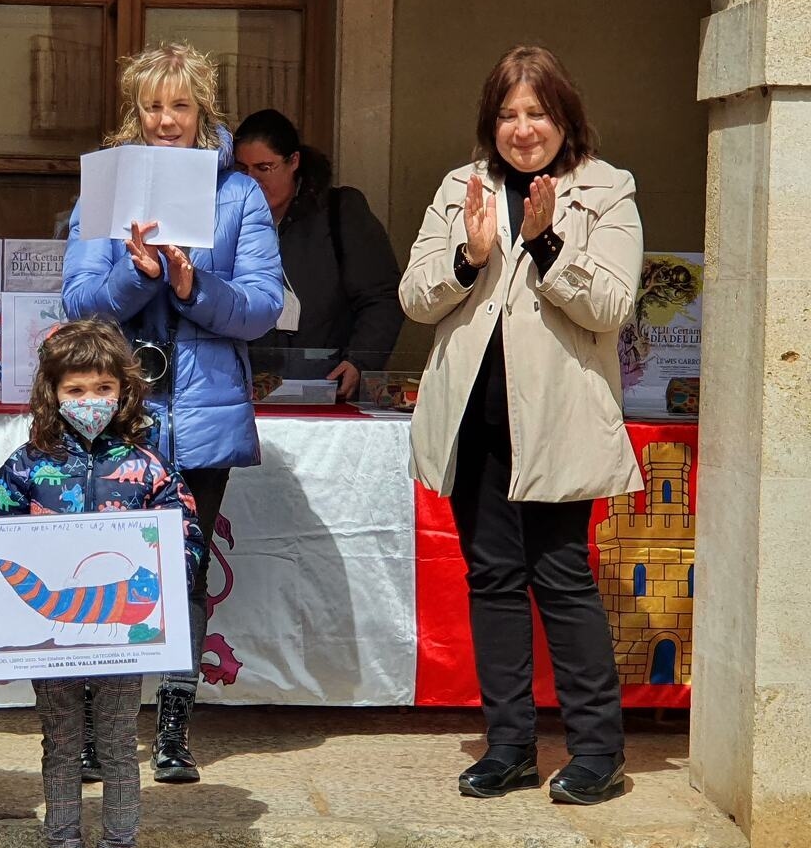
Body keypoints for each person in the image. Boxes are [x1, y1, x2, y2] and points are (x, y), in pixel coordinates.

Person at [400, 45, 644, 805]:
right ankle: (508, 746)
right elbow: (415, 295)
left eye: (537, 112)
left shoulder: (607, 190)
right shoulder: (459, 188)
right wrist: (469, 261)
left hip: (557, 421)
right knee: (494, 580)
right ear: (490, 123)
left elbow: (611, 307)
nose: (523, 127)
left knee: (562, 578)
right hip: (474, 417)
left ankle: (597, 752)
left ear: (565, 118)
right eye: (508, 114)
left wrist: (545, 243)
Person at [63, 42, 283, 783]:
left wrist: (192, 285)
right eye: (152, 105)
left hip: (201, 416)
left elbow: (259, 308)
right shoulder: (106, 184)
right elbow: (76, 302)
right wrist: (136, 274)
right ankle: (97, 729)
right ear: (137, 110)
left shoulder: (240, 194)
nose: (165, 119)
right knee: (105, 569)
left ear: (201, 113)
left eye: (179, 105)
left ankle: (173, 733)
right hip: (113, 412)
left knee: (182, 572)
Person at [0, 319, 205, 848]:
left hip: (124, 636)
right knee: (60, 740)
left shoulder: (150, 467)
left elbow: (188, 537)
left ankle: (120, 845)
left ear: (123, 390)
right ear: (52, 394)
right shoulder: (26, 467)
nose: (90, 400)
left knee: (119, 742)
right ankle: (60, 842)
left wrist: (174, 566)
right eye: (75, 389)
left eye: (102, 388)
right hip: (51, 637)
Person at [234, 108, 404, 398]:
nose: (252, 181)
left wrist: (360, 360)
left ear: (294, 161)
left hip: (329, 386)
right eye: (242, 170)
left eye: (264, 168)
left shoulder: (340, 212)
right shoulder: (227, 220)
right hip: (246, 389)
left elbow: (382, 297)